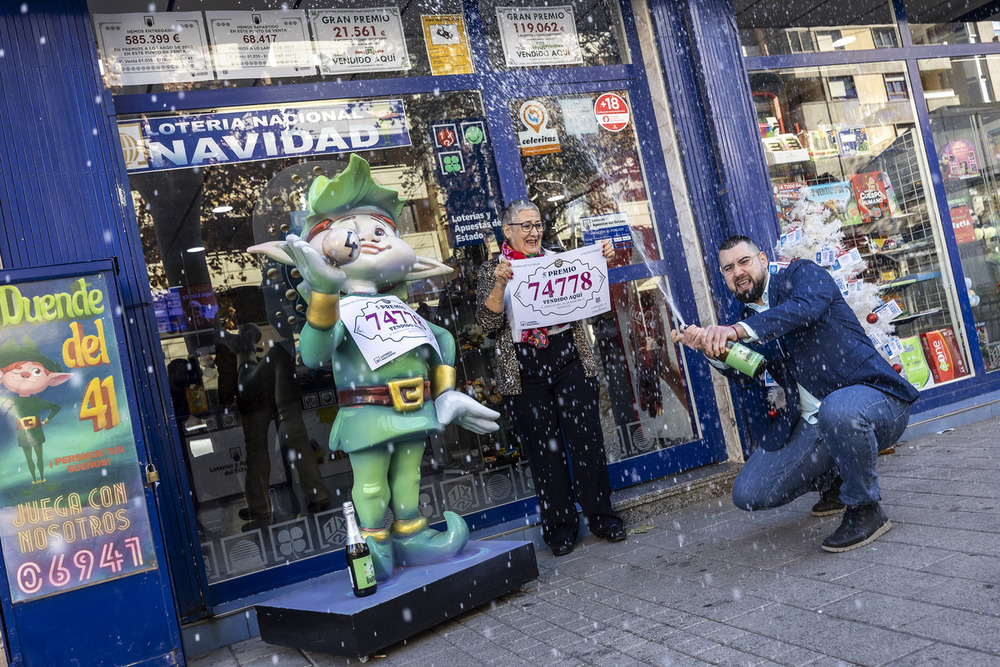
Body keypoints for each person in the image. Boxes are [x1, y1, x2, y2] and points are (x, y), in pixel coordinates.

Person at [671, 235, 919, 552]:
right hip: (818, 424)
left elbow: (803, 309)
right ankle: (835, 482)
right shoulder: (750, 320)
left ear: (762, 259)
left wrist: (735, 331)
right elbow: (752, 371)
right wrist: (712, 351)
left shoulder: (802, 274)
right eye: (728, 268)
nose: (738, 272)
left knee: (836, 409)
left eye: (744, 261)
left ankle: (866, 509)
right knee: (749, 493)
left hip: (877, 400)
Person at [475, 199, 626, 556]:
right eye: (524, 226)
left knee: (586, 441)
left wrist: (602, 255)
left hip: (568, 358)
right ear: (508, 231)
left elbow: (590, 289)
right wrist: (499, 285)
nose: (533, 232)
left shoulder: (560, 257)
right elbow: (487, 324)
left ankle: (603, 518)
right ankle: (560, 529)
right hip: (524, 368)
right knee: (545, 452)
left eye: (538, 224)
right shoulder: (492, 269)